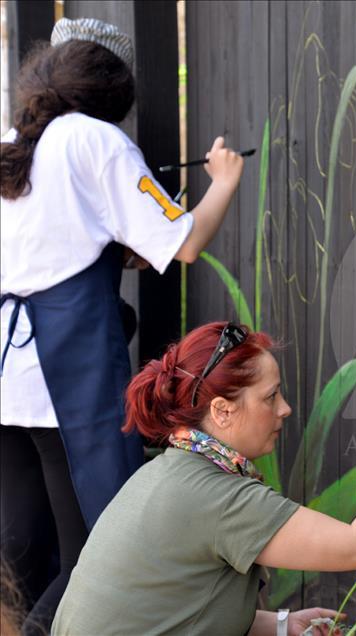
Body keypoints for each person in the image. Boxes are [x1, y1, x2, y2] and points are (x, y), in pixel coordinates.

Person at [0, 17, 245, 632]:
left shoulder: (16, 141)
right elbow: (184, 242)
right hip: (68, 382)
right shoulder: (94, 139)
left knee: (21, 551)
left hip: (10, 381)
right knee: (100, 549)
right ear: (113, 84)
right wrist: (224, 181)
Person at [51, 321, 356, 635]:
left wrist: (280, 625)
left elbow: (172, 610)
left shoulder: (169, 471)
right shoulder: (215, 497)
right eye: (270, 397)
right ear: (222, 411)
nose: (285, 409)